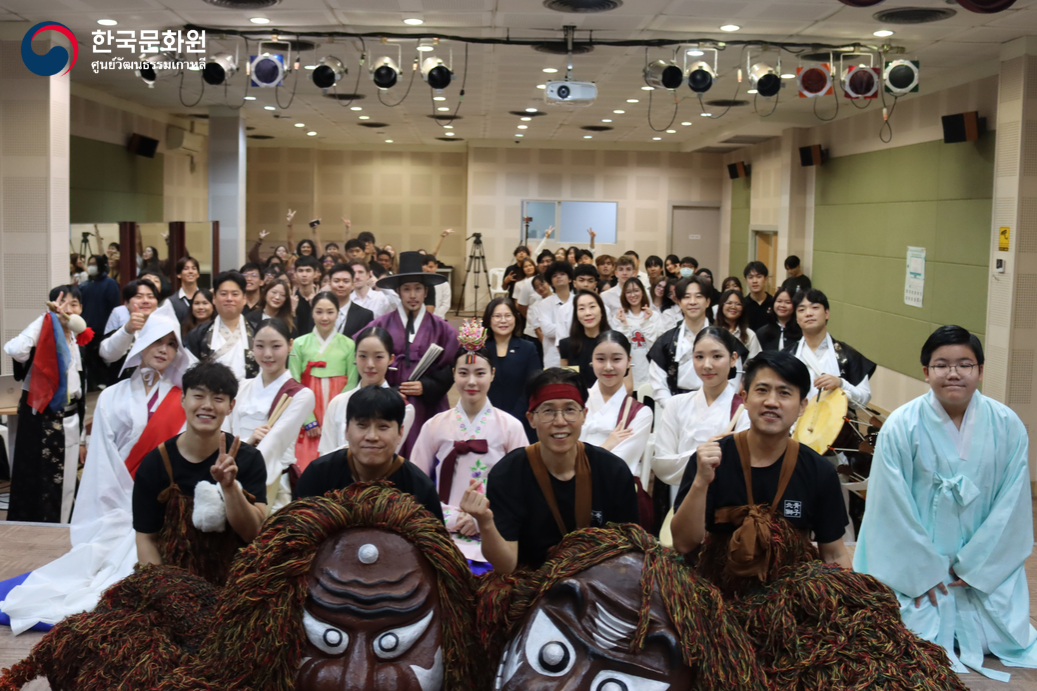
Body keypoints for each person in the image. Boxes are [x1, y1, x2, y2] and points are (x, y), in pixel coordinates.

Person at [854, 326, 1037, 679]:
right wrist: (926, 570)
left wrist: (974, 568)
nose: (953, 373)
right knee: (903, 634)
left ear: (980, 370)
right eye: (941, 365)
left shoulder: (1007, 425)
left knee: (994, 635)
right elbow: (889, 507)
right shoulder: (901, 425)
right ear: (926, 372)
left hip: (982, 572)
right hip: (916, 572)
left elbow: (1012, 506)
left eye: (964, 364)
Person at [0, 302, 195, 633]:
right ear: (141, 342)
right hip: (115, 502)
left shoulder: (185, 400)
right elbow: (102, 460)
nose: (163, 350)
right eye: (157, 341)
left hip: (162, 506)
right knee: (101, 564)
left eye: (171, 343)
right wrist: (120, 503)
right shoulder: (112, 396)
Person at [670, 350, 850, 567]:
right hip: (715, 592)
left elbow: (834, 554)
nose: (771, 402)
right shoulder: (711, 460)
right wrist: (701, 482)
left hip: (790, 592)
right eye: (762, 390)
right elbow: (683, 544)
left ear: (803, 406)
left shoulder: (819, 471)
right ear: (744, 398)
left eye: (784, 393)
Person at [459, 368, 639, 573]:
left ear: (584, 416)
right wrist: (485, 522)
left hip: (600, 581)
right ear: (531, 418)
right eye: (548, 411)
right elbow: (506, 566)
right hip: (531, 585)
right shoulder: (508, 474)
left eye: (570, 410)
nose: (560, 421)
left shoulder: (612, 471)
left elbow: (628, 555)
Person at [132, 362, 266, 586]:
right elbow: (146, 538)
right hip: (170, 583)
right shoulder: (156, 463)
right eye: (198, 396)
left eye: (218, 398)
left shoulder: (248, 459)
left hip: (236, 584)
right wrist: (163, 591)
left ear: (231, 406)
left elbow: (254, 534)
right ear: (183, 399)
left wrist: (230, 487)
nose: (207, 406)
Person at [410, 323, 528, 565]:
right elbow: (416, 484)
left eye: (480, 373)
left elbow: (521, 487)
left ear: (493, 374)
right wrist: (448, 516)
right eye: (463, 373)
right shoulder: (434, 425)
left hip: (494, 529)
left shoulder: (511, 426)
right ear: (453, 373)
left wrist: (481, 519)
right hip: (443, 529)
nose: (471, 381)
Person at [293, 385, 443, 520]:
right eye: (362, 425)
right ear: (346, 431)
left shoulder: (419, 488)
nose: (372, 436)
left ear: (400, 432)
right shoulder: (318, 474)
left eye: (383, 427)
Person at [2, 287, 86, 523]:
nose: (68, 309)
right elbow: (14, 349)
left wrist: (82, 439)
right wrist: (45, 318)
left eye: (75, 304)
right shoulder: (42, 333)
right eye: (63, 303)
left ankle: (64, 526)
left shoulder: (80, 340)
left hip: (71, 418)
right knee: (39, 480)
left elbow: (81, 391)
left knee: (68, 481)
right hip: (42, 420)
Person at [368, 252, 459, 456]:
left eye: (418, 289)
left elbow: (452, 367)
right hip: (390, 400)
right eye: (406, 289)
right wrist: (386, 390)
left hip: (428, 403)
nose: (412, 295)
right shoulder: (381, 324)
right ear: (398, 292)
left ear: (426, 292)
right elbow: (364, 358)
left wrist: (427, 386)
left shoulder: (441, 328)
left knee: (427, 452)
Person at [653, 327, 750, 505]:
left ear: (733, 359)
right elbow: (662, 465)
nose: (707, 365)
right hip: (683, 500)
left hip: (729, 505)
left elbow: (743, 469)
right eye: (699, 357)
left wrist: (688, 460)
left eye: (717, 356)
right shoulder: (676, 405)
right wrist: (702, 455)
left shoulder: (745, 411)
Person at [230, 319, 316, 511]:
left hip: (271, 485)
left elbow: (273, 443)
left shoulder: (301, 395)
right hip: (230, 479)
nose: (267, 354)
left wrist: (234, 467)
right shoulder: (241, 387)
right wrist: (249, 440)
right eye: (260, 346)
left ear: (290, 345)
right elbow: (225, 434)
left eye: (276, 346)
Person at [318, 326, 415, 455]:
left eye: (378, 357)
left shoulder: (403, 407)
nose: (370, 364)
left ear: (391, 359)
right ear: (355, 357)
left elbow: (387, 453)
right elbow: (325, 452)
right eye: (363, 356)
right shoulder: (338, 402)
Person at [289, 291, 359, 467]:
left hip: (338, 408)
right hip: (308, 409)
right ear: (312, 313)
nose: (325, 317)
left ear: (338, 313)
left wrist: (337, 414)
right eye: (319, 311)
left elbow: (351, 383)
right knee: (305, 463)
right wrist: (308, 419)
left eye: (330, 312)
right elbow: (294, 383)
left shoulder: (349, 344)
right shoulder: (299, 344)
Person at [649, 275, 734, 409]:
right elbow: (658, 384)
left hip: (719, 407)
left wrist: (717, 407)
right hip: (677, 407)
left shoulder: (725, 339)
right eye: (687, 297)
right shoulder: (665, 341)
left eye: (699, 296)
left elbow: (735, 378)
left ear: (707, 302)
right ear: (679, 302)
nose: (692, 302)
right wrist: (674, 409)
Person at [578, 332, 652, 477]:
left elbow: (619, 464)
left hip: (614, 489)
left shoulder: (640, 413)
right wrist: (607, 446)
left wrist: (578, 457)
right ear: (591, 359)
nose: (608, 367)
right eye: (600, 359)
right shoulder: (576, 401)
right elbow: (561, 455)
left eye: (616, 359)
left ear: (629, 361)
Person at [787, 288, 874, 407]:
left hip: (835, 424)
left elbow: (863, 402)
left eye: (815, 307)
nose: (808, 313)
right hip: (795, 424)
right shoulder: (787, 356)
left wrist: (841, 384)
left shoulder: (847, 355)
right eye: (801, 309)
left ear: (827, 313)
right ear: (796, 318)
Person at [483, 297, 542, 442]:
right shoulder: (481, 349)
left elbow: (533, 387)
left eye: (508, 316)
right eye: (497, 316)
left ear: (515, 318)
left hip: (521, 422)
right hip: (486, 421)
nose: (503, 320)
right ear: (489, 320)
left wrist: (513, 419)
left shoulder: (528, 348)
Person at [183, 271, 259, 382]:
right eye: (223, 294)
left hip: (250, 396)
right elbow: (188, 372)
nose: (229, 298)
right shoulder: (198, 335)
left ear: (244, 298)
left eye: (235, 294)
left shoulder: (258, 332)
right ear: (214, 298)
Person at [98, 279, 160, 380]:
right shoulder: (121, 331)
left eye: (150, 297)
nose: (146, 301)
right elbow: (107, 354)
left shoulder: (165, 329)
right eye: (139, 297)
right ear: (126, 303)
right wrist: (127, 330)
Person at [79, 254, 121, 390]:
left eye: (94, 264)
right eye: (89, 263)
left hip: (103, 328)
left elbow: (114, 307)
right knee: (88, 358)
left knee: (101, 357)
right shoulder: (84, 285)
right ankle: (92, 384)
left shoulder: (110, 284)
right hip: (86, 329)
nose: (91, 266)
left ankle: (104, 381)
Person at [613, 277, 663, 389]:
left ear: (642, 292)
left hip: (650, 373)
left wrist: (646, 322)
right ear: (624, 294)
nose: (633, 295)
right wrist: (624, 324)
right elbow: (619, 349)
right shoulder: (619, 317)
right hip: (629, 375)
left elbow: (656, 347)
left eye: (636, 290)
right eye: (628, 292)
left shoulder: (653, 316)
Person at [559, 290, 607, 391]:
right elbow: (565, 383)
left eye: (592, 306)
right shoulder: (566, 344)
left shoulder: (615, 343)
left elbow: (627, 385)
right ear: (576, 315)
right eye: (581, 308)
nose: (588, 313)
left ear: (602, 310)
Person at [714, 289, 762, 370]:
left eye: (738, 304)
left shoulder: (750, 335)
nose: (733, 307)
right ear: (721, 305)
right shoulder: (712, 332)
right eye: (729, 303)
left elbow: (756, 364)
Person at [539, 261, 574, 368]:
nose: (559, 277)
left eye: (562, 274)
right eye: (554, 276)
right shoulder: (545, 304)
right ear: (551, 283)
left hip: (576, 354)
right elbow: (547, 330)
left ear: (570, 279)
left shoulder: (579, 301)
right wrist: (574, 329)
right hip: (553, 358)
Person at [325, 263, 374, 339]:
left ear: (353, 285)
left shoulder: (365, 315)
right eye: (336, 281)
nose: (341, 285)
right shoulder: (319, 312)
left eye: (346, 281)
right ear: (329, 283)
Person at [755, 286, 801, 352]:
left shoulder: (802, 332)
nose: (782, 305)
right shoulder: (762, 333)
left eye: (788, 302)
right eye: (779, 301)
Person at [291, 255, 322, 335]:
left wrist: (315, 306)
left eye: (308, 271)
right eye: (300, 271)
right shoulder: (291, 299)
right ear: (295, 274)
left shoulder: (322, 298)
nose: (304, 275)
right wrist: (292, 311)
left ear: (316, 273)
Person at [742, 261, 774, 331]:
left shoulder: (773, 303)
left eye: (758, 277)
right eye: (750, 277)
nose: (754, 281)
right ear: (745, 281)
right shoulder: (742, 304)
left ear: (766, 279)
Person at [170, 256, 201, 323]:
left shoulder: (207, 298)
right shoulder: (172, 301)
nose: (190, 271)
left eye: (194, 268)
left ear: (198, 274)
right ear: (179, 275)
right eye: (186, 269)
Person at [421, 253, 451, 318]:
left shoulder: (443, 283)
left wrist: (435, 316)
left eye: (431, 267)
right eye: (426, 267)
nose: (429, 270)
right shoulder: (420, 283)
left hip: (438, 318)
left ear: (436, 266)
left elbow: (445, 304)